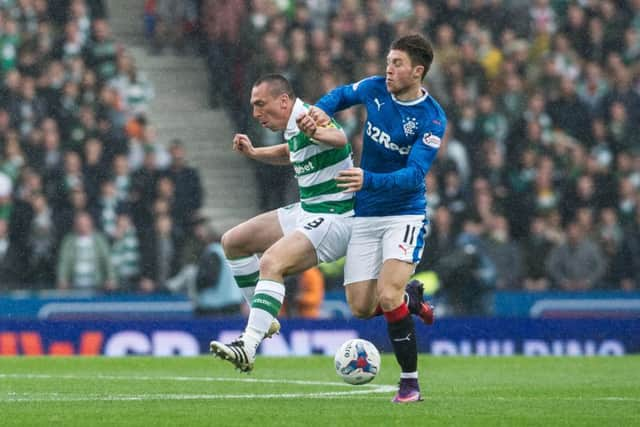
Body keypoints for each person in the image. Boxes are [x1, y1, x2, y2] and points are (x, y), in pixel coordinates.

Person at [210, 74, 433, 372]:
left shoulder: (309, 116)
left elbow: (338, 138)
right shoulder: (293, 127)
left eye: (261, 104)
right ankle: (264, 319)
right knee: (233, 242)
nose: (256, 113)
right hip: (309, 208)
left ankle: (248, 345)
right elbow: (292, 153)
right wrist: (254, 152)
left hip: (336, 216)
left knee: (272, 262)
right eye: (253, 106)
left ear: (284, 101)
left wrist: (318, 130)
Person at [312, 34, 446, 403]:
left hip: (404, 213)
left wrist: (367, 178)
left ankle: (410, 384)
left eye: (398, 63)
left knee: (387, 296)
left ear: (418, 71)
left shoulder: (431, 118)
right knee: (361, 306)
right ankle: (412, 299)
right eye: (388, 61)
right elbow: (341, 95)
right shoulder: (374, 89)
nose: (389, 68)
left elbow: (415, 175)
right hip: (367, 213)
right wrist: (322, 109)